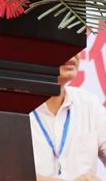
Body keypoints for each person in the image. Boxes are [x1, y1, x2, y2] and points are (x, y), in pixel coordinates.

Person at [31, 53, 106, 181]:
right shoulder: (11, 107)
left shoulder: (89, 104)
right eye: (61, 45)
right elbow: (3, 173)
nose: (72, 53)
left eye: (77, 47)